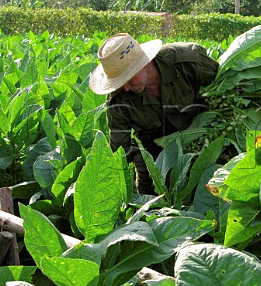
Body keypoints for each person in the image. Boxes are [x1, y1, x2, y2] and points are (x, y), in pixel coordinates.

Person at [89, 33, 219, 194]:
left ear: (143, 64)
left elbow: (224, 89)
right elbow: (119, 152)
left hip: (206, 144)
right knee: (153, 207)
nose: (126, 88)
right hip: (155, 160)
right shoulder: (118, 102)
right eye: (119, 83)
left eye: (128, 79)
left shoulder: (186, 61)